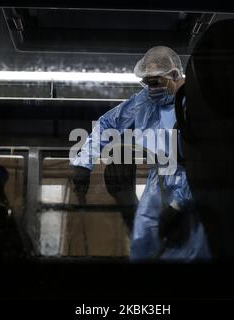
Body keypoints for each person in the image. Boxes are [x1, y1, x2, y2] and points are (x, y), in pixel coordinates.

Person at [70, 46, 211, 261]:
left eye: (155, 82)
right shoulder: (144, 101)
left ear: (174, 75)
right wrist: (84, 163)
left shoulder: (195, 104)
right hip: (159, 181)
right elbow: (108, 123)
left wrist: (179, 204)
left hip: (192, 183)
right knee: (143, 243)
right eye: (146, 83)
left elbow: (206, 161)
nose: (150, 89)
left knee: (188, 249)